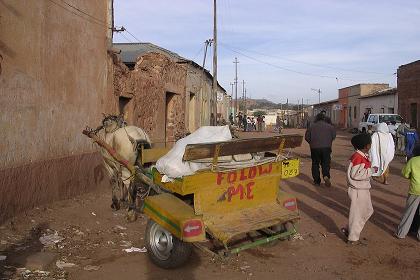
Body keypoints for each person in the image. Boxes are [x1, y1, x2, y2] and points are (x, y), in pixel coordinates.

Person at [342, 133, 376, 245]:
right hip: (358, 190)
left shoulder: (361, 156)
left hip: (362, 189)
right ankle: (353, 238)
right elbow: (356, 175)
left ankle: (349, 229)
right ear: (366, 146)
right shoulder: (358, 157)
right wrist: (370, 171)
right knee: (357, 214)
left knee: (367, 211)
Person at [395, 144, 420, 241]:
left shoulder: (413, 161)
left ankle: (401, 233)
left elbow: (405, 174)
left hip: (415, 190)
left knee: (409, 212)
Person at [305, 113, 336, 187]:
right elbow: (333, 136)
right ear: (324, 118)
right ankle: (326, 176)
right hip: (326, 147)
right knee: (325, 163)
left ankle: (316, 181)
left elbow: (307, 137)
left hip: (314, 148)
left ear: (316, 118)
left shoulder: (311, 127)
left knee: (315, 164)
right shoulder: (330, 127)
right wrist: (328, 141)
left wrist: (312, 142)